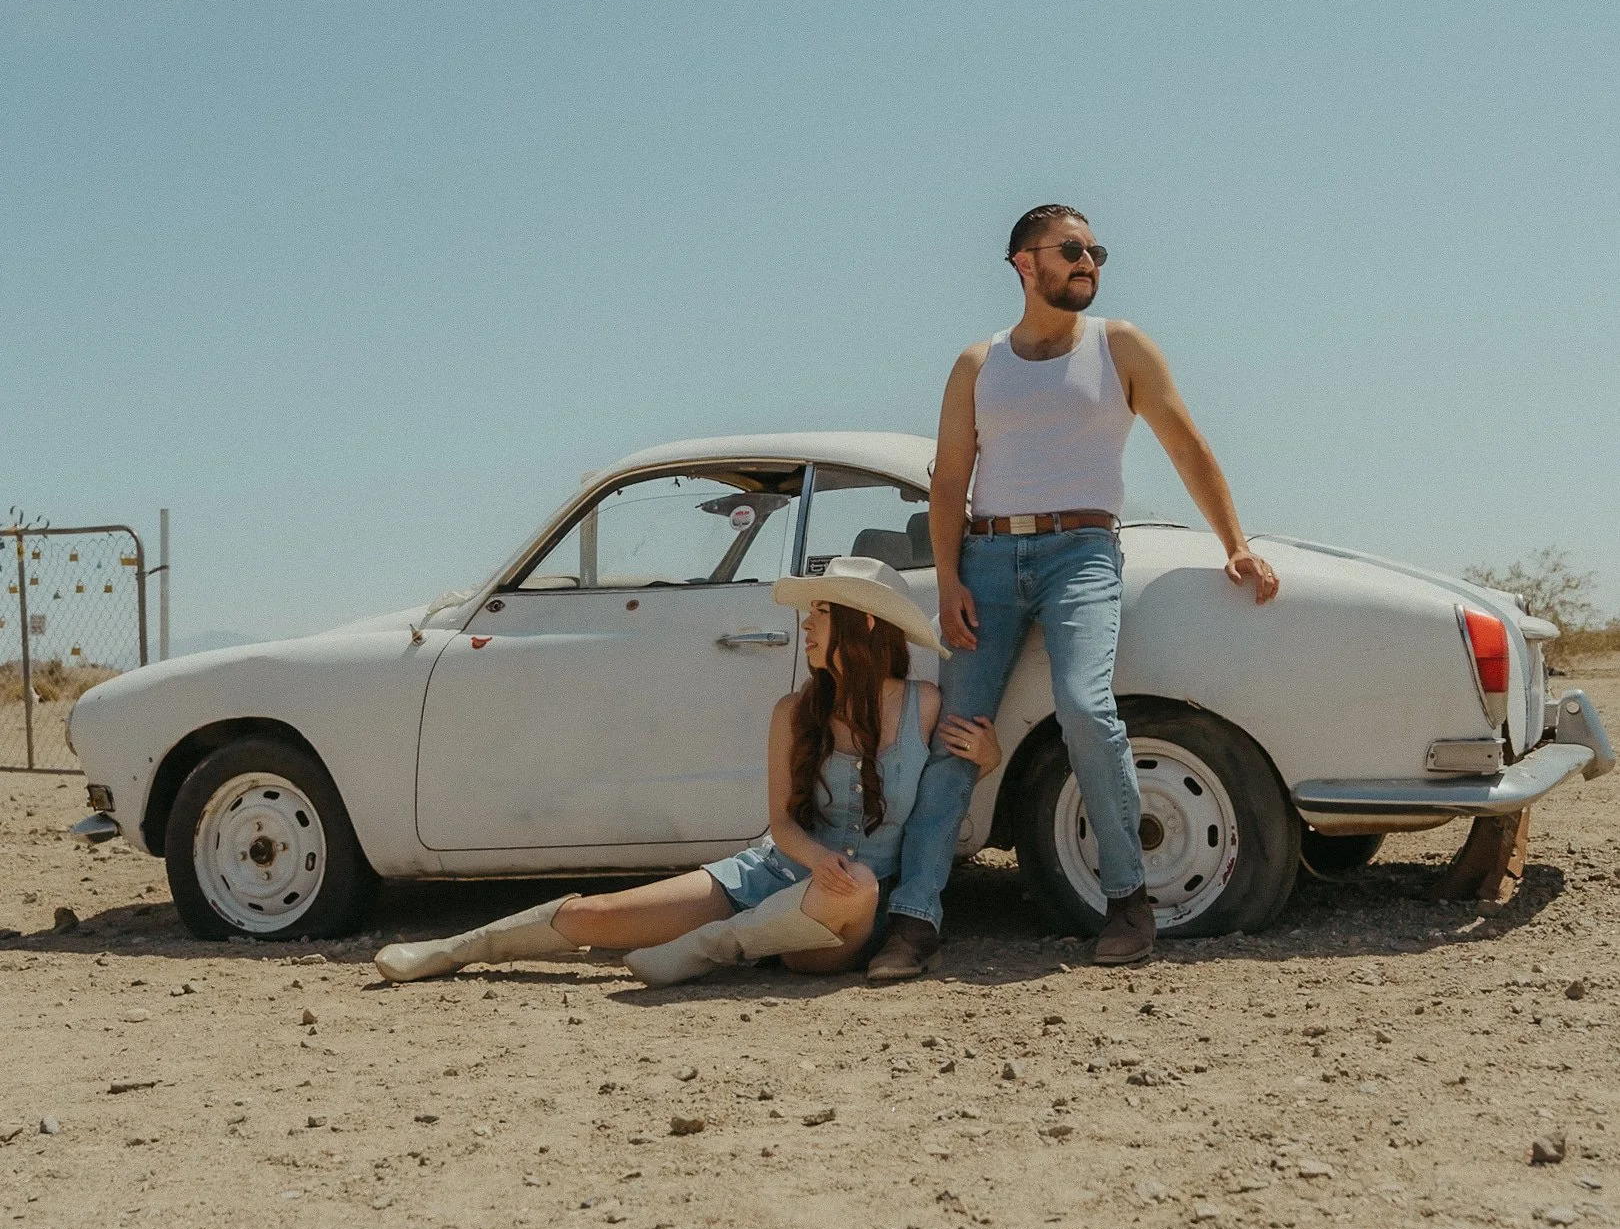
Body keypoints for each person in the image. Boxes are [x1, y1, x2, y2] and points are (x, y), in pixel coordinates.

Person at [866, 203, 1279, 984]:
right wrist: (949, 576)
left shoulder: (1120, 346)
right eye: (1073, 248)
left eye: (1096, 250)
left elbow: (1186, 444)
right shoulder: (977, 363)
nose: (1090, 260)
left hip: (1083, 551)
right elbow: (950, 479)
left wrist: (1237, 545)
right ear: (1026, 263)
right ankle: (915, 918)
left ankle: (1129, 898)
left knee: (1086, 705)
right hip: (986, 556)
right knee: (958, 730)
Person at [372, 557, 1001, 989]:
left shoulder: (923, 706)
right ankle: (458, 949)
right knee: (608, 915)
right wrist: (812, 856)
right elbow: (781, 824)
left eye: (821, 615)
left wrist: (989, 758)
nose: (805, 625)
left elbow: (953, 787)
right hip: (772, 875)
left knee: (859, 883)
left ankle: (707, 950)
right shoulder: (794, 712)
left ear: (863, 624)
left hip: (841, 913)